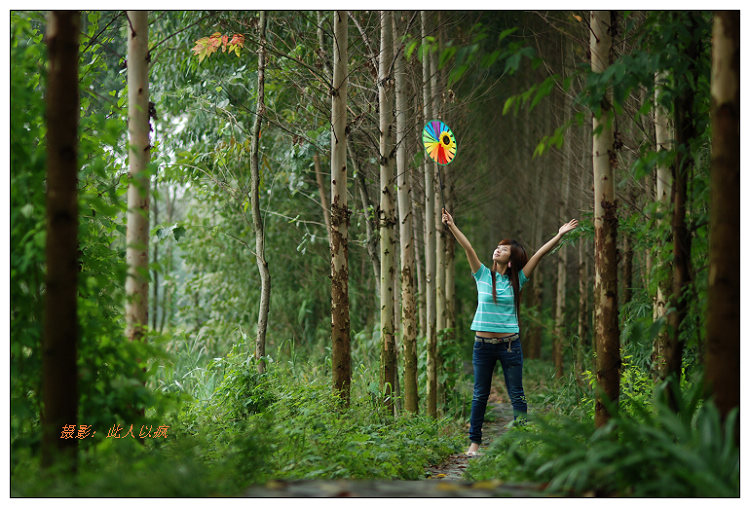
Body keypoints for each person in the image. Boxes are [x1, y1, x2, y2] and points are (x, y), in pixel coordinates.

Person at [441, 208, 578, 456]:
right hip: (482, 346)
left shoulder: (518, 281)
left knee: (517, 394)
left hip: (509, 346)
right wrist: (451, 225)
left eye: (503, 249)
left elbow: (539, 254)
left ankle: (520, 442)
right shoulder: (482, 275)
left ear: (511, 260)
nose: (497, 250)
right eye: (497, 247)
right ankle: (474, 444)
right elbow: (468, 248)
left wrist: (559, 235)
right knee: (480, 395)